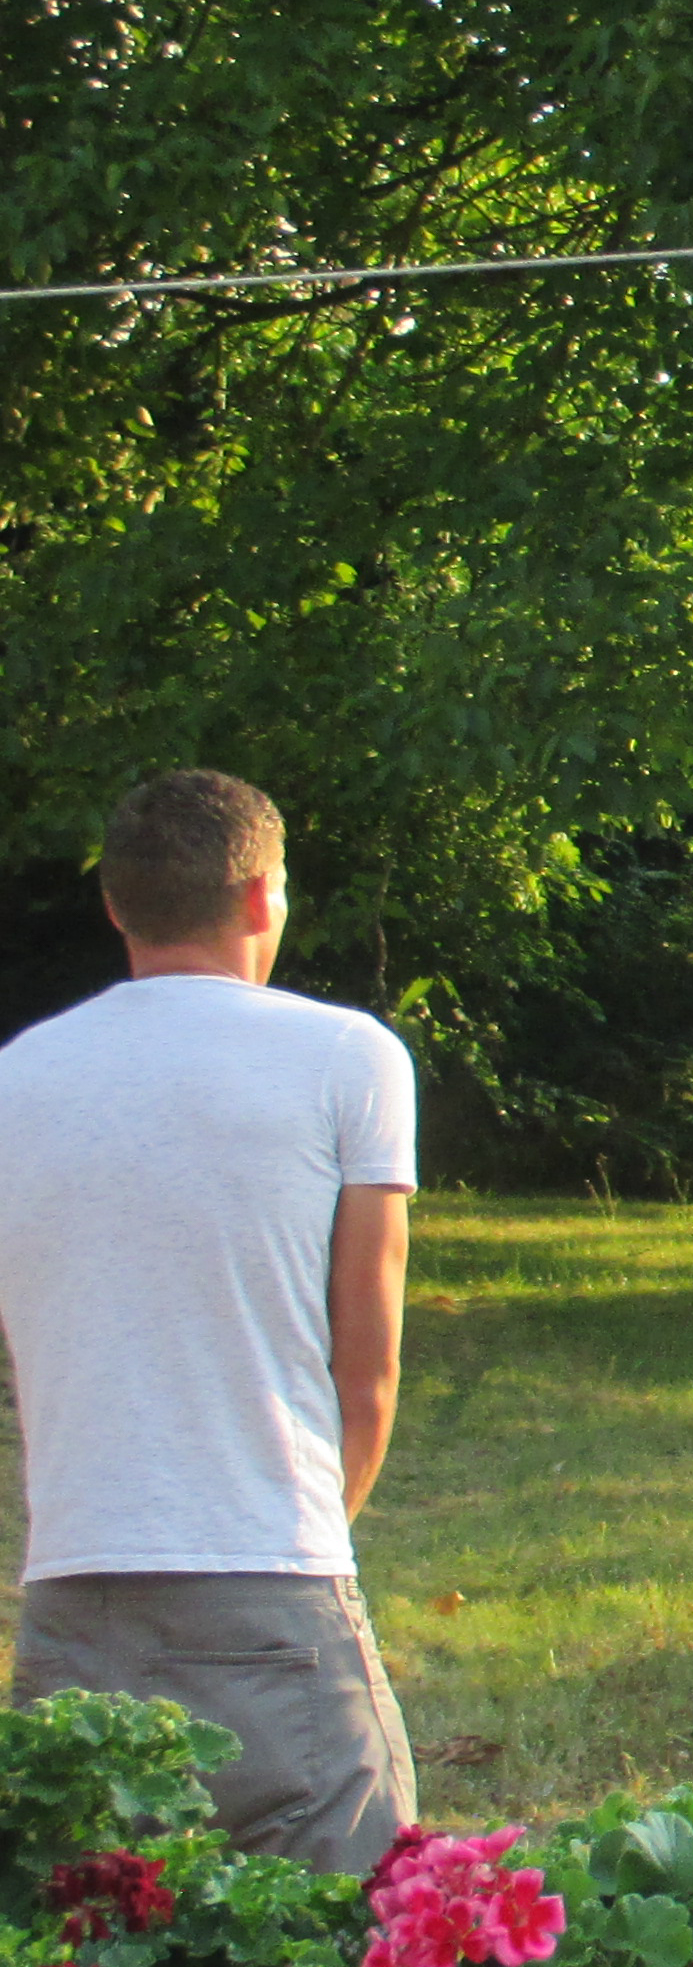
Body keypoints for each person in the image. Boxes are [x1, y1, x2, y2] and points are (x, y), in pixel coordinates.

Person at [0, 771, 420, 1870]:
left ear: (113, 904)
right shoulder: (349, 1059)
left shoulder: (15, 1079)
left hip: (69, 1594)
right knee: (358, 1947)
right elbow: (366, 1365)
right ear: (259, 897)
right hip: (270, 1579)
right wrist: (318, 1529)